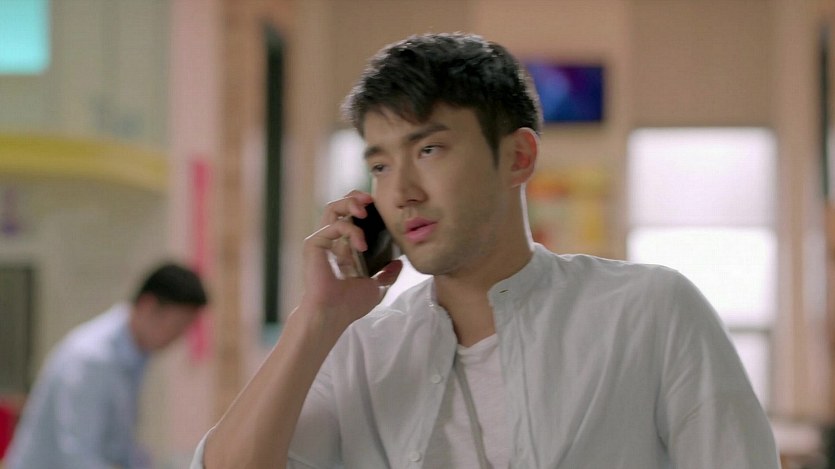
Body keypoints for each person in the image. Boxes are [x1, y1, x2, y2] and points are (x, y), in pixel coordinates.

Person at [194, 33, 779, 468]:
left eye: (429, 150)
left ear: (518, 158)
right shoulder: (361, 351)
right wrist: (315, 320)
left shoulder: (649, 311)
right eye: (380, 165)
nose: (401, 192)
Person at [6, 262, 208, 469]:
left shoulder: (134, 355)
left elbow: (120, 444)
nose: (178, 337)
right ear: (149, 306)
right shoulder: (91, 360)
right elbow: (79, 459)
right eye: (178, 326)